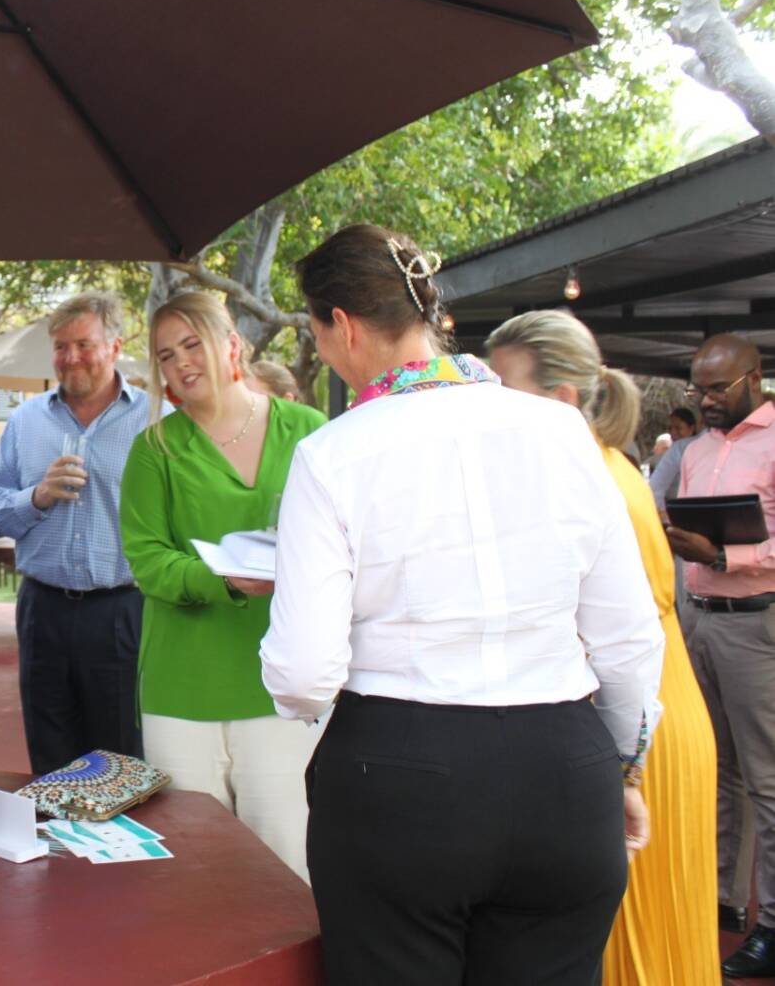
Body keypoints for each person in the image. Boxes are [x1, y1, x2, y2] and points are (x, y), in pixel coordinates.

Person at [259, 225, 663, 985]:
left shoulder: (332, 453)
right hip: (562, 770)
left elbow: (303, 673)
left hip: (399, 773)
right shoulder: (560, 430)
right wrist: (622, 771)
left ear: (340, 325)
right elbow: (626, 637)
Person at [487, 309, 719, 986]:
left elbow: (611, 642)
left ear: (558, 399)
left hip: (637, 731)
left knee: (633, 949)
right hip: (643, 720)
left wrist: (627, 769)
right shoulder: (597, 466)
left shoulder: (590, 480)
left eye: (501, 388)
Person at [119, 291, 325, 878]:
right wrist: (223, 581)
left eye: (192, 344)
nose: (181, 363)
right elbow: (147, 561)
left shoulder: (309, 431)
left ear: (232, 344)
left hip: (282, 680)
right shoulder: (153, 449)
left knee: (287, 852)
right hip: (182, 685)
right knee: (194, 864)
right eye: (165, 355)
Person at [0, 292, 159, 774]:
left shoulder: (157, 420)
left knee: (122, 752)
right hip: (44, 609)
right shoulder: (25, 420)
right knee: (50, 748)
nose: (70, 357)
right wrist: (35, 496)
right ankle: (59, 846)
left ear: (115, 346)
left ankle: (119, 850)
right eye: (60, 346)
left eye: (84, 344)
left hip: (123, 607)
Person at [666, 333, 775, 978]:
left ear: (755, 378)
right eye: (697, 390)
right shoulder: (696, 451)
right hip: (701, 619)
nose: (704, 401)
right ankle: (724, 902)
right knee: (718, 770)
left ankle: (772, 920)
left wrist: (724, 556)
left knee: (765, 778)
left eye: (717, 389)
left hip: (755, 623)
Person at [649, 405, 701, 510]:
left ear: (692, 428)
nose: (673, 432)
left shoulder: (681, 449)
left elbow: (655, 488)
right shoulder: (670, 452)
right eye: (670, 428)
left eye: (678, 428)